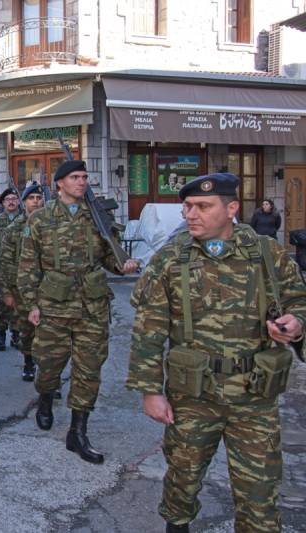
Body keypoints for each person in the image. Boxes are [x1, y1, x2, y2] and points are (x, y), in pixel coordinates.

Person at [126, 173, 306, 533]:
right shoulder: (171, 260)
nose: (191, 214)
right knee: (182, 481)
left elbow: (297, 301)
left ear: (232, 209)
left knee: (260, 496)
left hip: (255, 396)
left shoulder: (267, 253)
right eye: (188, 207)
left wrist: (296, 323)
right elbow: (149, 330)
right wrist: (150, 391)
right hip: (193, 396)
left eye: (203, 207)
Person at [17, 160, 139, 464]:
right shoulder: (41, 219)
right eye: (75, 177)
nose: (82, 182)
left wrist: (123, 265)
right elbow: (28, 266)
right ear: (60, 183)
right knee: (48, 366)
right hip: (53, 305)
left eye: (85, 177)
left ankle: (78, 431)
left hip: (92, 304)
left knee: (89, 369)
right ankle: (45, 400)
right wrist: (31, 304)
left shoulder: (97, 216)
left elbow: (111, 256)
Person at [0, 182, 45, 381]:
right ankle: (28, 362)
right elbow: (5, 262)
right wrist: (6, 292)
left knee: (52, 334)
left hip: (49, 287)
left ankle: (50, 375)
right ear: (24, 203)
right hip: (22, 288)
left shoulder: (51, 225)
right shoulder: (14, 228)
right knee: (27, 330)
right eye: (31, 198)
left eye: (38, 198)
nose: (35, 201)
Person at [0, 188, 22, 351]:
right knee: (1, 304)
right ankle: (1, 334)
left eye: (14, 198)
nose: (11, 201)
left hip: (21, 270)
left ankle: (16, 334)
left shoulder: (25, 221)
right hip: (1, 271)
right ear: (2, 203)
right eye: (7, 199)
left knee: (18, 304)